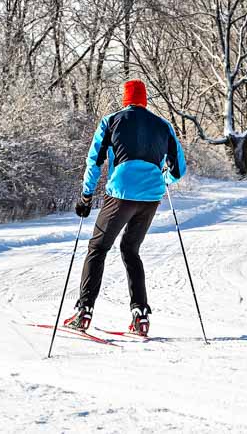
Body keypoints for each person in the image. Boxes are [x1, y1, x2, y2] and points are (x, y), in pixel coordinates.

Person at [63, 79, 186, 337]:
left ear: (125, 98)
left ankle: (84, 311)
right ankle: (141, 316)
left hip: (120, 194)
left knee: (97, 248)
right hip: (151, 197)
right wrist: (160, 179)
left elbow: (94, 161)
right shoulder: (164, 126)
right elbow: (178, 170)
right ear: (145, 99)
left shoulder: (111, 121)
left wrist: (86, 196)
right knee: (131, 250)